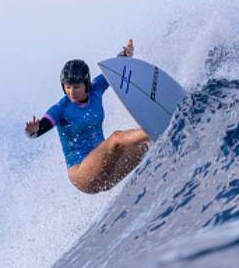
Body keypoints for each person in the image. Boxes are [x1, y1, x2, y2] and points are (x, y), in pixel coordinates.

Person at [24, 39, 150, 194]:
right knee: (117, 138)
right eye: (67, 87)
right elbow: (42, 127)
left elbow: (112, 70)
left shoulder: (95, 90)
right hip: (82, 175)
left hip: (106, 172)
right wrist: (34, 130)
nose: (72, 92)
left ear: (86, 84)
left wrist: (125, 54)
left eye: (76, 86)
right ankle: (153, 128)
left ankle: (155, 135)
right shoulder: (61, 109)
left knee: (146, 146)